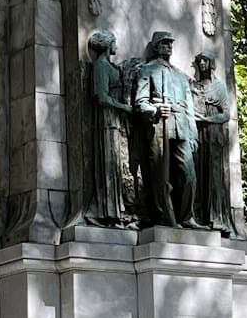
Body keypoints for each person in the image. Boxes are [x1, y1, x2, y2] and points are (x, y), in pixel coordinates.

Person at [134, 30, 202, 228]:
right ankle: (165, 218)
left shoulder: (181, 76)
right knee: (160, 177)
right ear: (156, 47)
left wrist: (193, 135)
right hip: (159, 126)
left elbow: (189, 109)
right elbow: (140, 102)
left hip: (181, 128)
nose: (168, 47)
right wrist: (155, 109)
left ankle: (187, 217)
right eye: (164, 44)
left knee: (189, 175)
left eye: (170, 44)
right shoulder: (148, 70)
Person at [84, 29, 134, 226]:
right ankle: (107, 211)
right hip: (107, 122)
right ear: (106, 45)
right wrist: (125, 107)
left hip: (117, 122)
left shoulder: (111, 67)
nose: (117, 45)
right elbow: (102, 97)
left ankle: (118, 209)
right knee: (109, 164)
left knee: (118, 166)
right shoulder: (100, 67)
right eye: (114, 41)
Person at [191, 51, 233, 235]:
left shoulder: (219, 86)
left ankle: (217, 218)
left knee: (214, 176)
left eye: (205, 61)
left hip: (214, 133)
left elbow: (226, 114)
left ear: (211, 63)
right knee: (199, 173)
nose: (201, 64)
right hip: (198, 133)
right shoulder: (195, 86)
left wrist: (209, 120)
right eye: (199, 61)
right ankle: (199, 215)